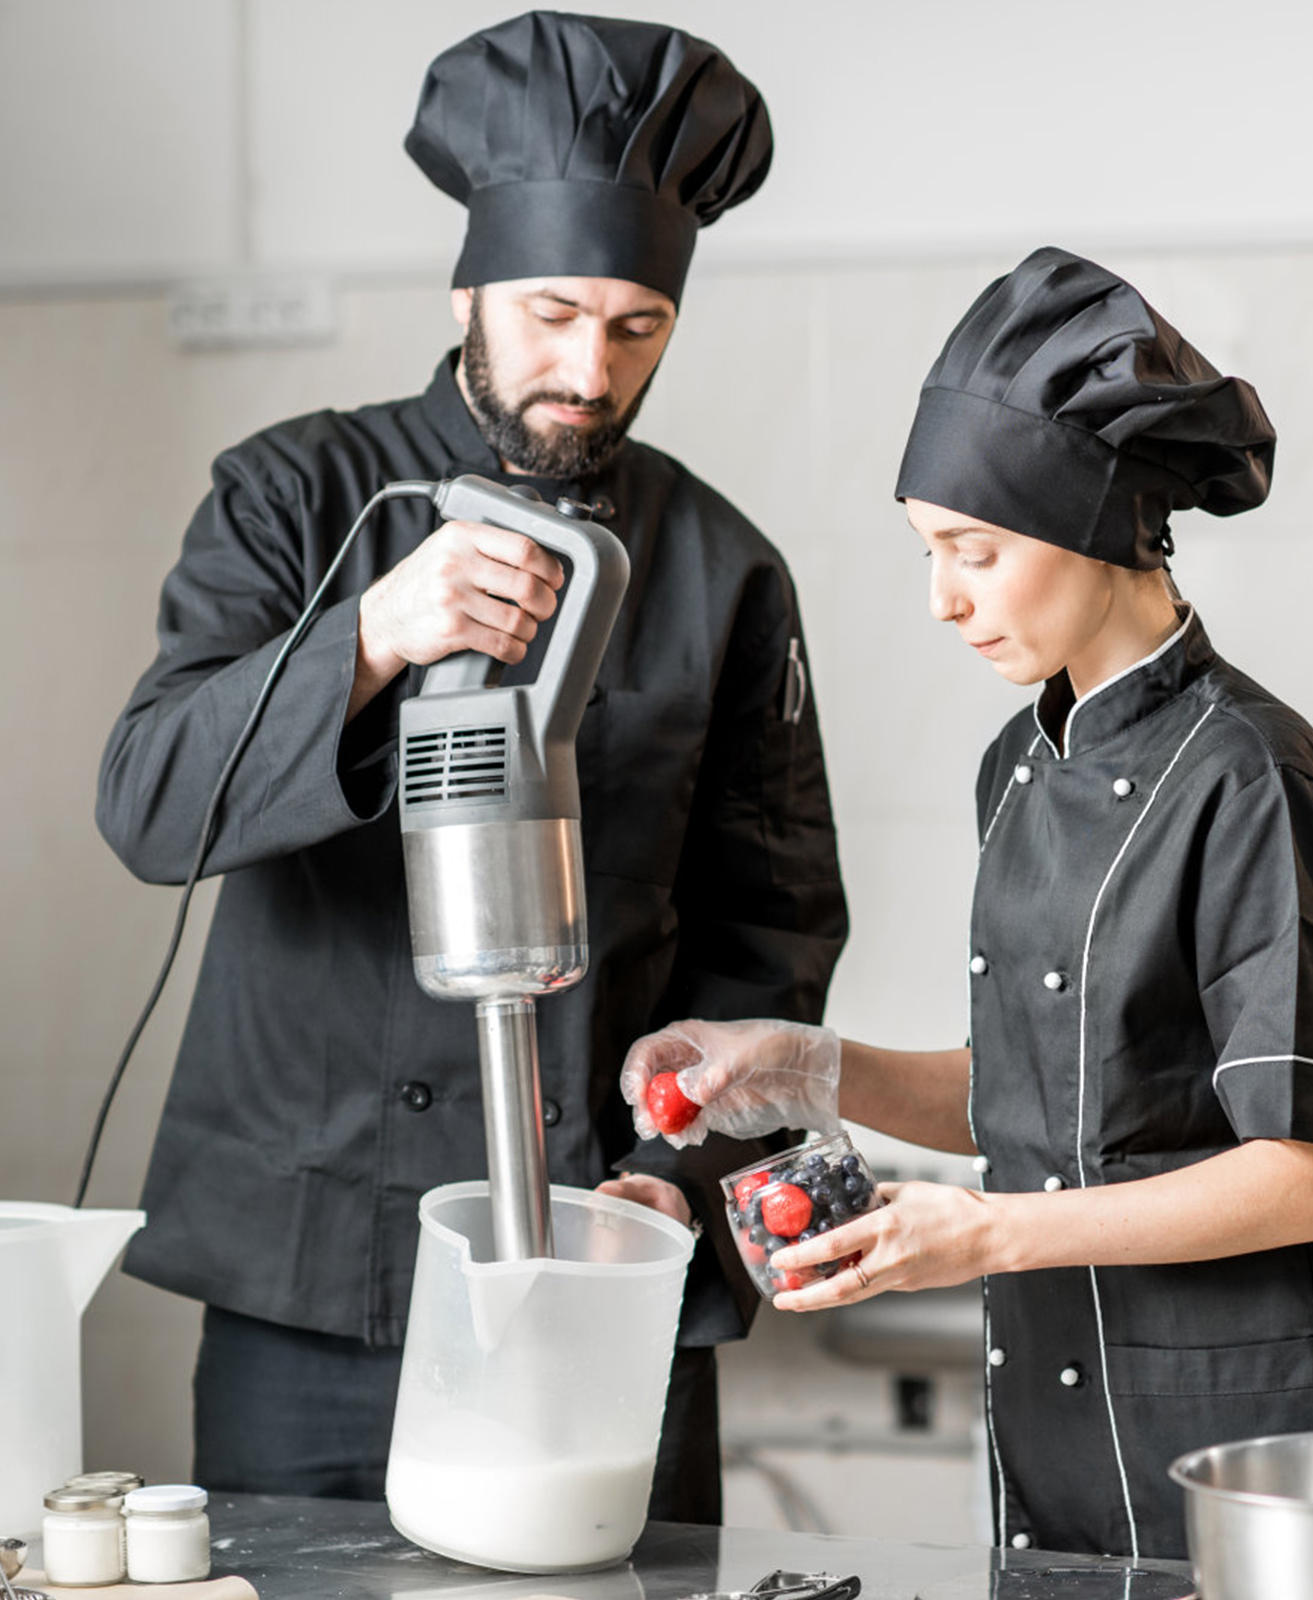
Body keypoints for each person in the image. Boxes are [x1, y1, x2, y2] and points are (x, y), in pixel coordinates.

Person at [94, 12, 846, 1521]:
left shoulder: (722, 570)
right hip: (304, 1286)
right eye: (554, 313)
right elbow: (150, 805)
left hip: (592, 1273)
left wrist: (677, 1186)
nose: (588, 368)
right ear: (473, 287)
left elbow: (770, 940)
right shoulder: (293, 498)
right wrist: (370, 637)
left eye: (637, 328)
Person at [622, 248, 1313, 1559]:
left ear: (1096, 528)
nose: (942, 599)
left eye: (974, 552)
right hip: (1049, 1469)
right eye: (931, 552)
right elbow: (1047, 1095)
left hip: (1229, 1463)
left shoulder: (1255, 777)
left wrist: (986, 1231)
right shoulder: (1020, 766)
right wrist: (808, 1069)